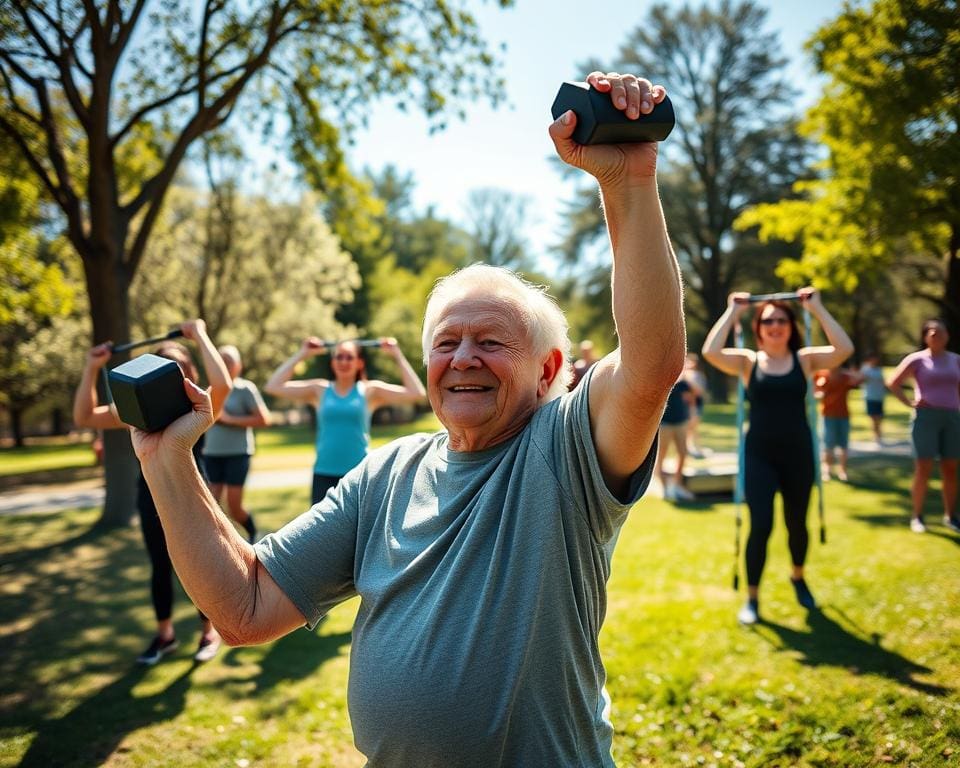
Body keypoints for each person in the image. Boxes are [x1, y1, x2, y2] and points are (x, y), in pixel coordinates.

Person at [127, 72, 684, 766]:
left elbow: (652, 364)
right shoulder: (386, 473)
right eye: (446, 343)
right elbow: (243, 607)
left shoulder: (563, 445)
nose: (464, 359)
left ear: (547, 371)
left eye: (492, 341)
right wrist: (166, 460)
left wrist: (628, 184)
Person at [72, 320, 231, 664]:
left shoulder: (199, 405)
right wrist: (91, 366)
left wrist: (201, 335)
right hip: (150, 496)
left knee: (200, 565)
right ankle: (165, 636)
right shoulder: (135, 413)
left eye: (176, 366)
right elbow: (84, 415)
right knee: (160, 565)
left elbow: (223, 384)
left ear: (186, 373)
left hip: (193, 492)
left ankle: (209, 631)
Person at [702, 289, 853, 625]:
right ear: (758, 327)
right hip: (759, 455)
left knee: (797, 523)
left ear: (790, 325)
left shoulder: (804, 360)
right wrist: (732, 312)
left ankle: (798, 577)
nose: (775, 325)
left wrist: (816, 308)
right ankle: (752, 598)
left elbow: (844, 349)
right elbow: (710, 351)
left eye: (781, 320)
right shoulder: (748, 361)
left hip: (798, 454)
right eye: (768, 320)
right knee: (762, 525)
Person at [265, 337, 426, 505]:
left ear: (359, 363)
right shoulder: (319, 390)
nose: (343, 361)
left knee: (359, 531)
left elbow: (416, 393)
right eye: (339, 357)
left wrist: (397, 355)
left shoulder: (369, 391)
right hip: (324, 473)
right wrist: (302, 354)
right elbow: (273, 386)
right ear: (332, 362)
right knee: (323, 532)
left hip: (359, 474)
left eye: (349, 357)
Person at [886, 319, 960, 534]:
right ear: (925, 336)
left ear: (948, 335)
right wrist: (910, 402)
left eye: (941, 332)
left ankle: (950, 516)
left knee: (950, 468)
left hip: (952, 418)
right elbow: (893, 382)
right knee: (923, 467)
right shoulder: (917, 359)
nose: (937, 336)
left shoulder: (956, 360)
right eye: (933, 332)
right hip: (926, 418)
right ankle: (917, 516)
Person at [203, 345, 271, 543]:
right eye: (220, 359)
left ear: (238, 366)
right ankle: (220, 546)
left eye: (229, 360)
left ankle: (252, 532)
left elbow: (264, 419)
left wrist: (230, 419)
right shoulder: (210, 389)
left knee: (234, 507)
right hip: (212, 454)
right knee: (212, 505)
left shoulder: (245, 389)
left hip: (238, 453)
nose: (224, 364)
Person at [655, 369, 700, 501]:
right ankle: (664, 487)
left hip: (681, 422)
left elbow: (695, 394)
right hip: (665, 423)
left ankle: (677, 484)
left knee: (683, 452)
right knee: (661, 454)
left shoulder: (683, 382)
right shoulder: (662, 379)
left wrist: (688, 377)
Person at [813, 363, 862, 482]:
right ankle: (826, 470)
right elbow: (815, 390)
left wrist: (850, 372)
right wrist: (819, 394)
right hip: (828, 415)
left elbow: (858, 380)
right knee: (828, 444)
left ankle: (842, 470)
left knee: (843, 445)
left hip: (843, 415)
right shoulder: (822, 374)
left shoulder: (844, 376)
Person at [683, 352, 709, 457]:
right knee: (687, 429)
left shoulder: (699, 376)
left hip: (696, 406)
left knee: (693, 427)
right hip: (685, 406)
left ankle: (696, 448)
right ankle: (689, 448)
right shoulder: (683, 375)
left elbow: (699, 391)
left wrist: (689, 380)